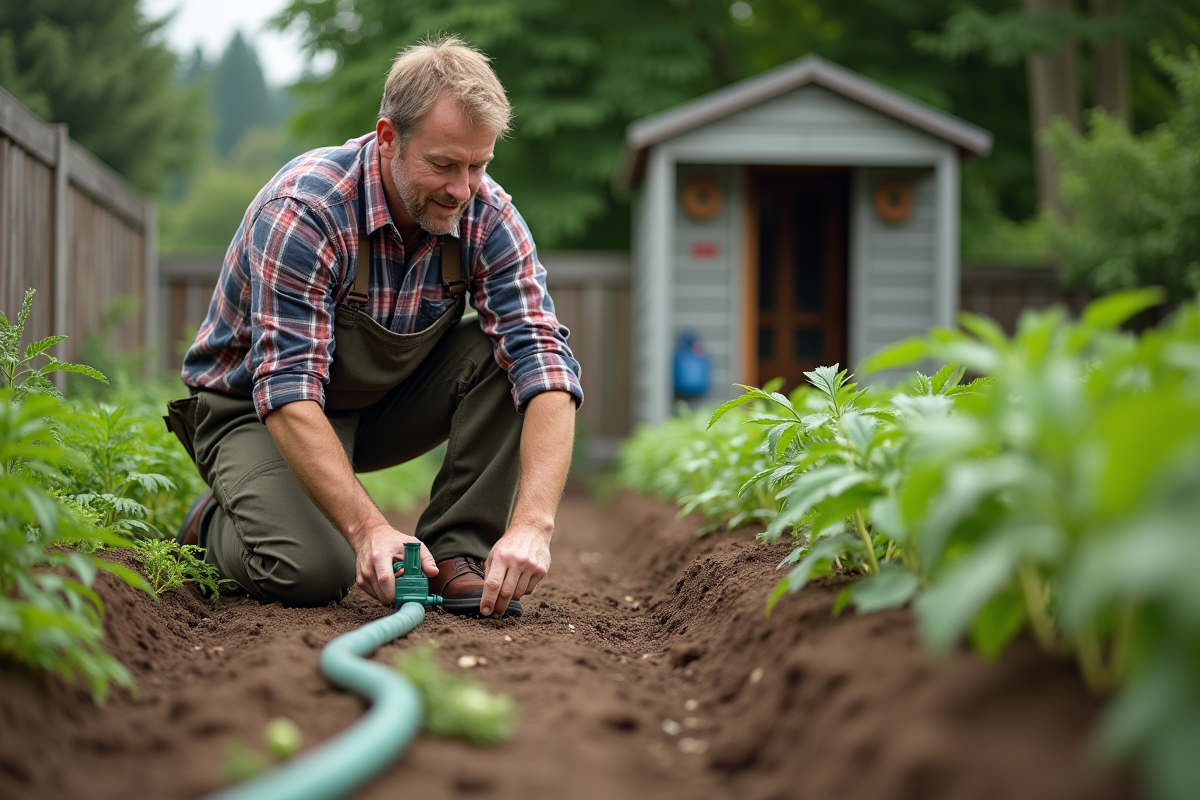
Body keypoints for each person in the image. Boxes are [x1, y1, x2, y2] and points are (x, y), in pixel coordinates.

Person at [165, 36, 582, 619]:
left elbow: (546, 363)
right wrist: (368, 531)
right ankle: (210, 520)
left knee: (505, 355)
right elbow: (286, 392)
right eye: (443, 165)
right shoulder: (306, 211)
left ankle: (457, 554)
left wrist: (534, 523)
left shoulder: (486, 213)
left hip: (374, 407)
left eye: (478, 166)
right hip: (251, 411)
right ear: (388, 138)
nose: (463, 189)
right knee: (314, 571)